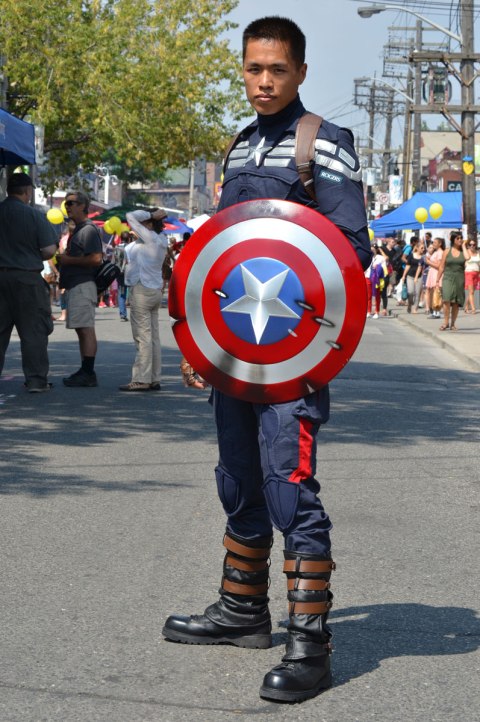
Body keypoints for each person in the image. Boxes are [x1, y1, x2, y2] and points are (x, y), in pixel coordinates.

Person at [162, 16, 371, 703]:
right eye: (253, 68)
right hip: (234, 357)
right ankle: (243, 609)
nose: (263, 80)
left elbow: (346, 256)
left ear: (300, 73)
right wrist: (200, 345)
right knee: (237, 477)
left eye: (277, 69)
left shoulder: (324, 144)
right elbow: (220, 259)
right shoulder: (240, 148)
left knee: (289, 485)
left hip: (293, 358)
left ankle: (311, 643)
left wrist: (313, 348)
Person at [0, 172, 58, 392]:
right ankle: (35, 381)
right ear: (27, 191)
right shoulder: (33, 215)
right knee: (33, 331)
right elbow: (49, 250)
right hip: (26, 278)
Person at [119, 208, 169, 391]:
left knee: (143, 337)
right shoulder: (160, 240)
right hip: (154, 289)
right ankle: (154, 377)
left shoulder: (149, 238)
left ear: (148, 225)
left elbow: (130, 216)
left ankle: (142, 378)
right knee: (153, 337)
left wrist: (149, 215)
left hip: (142, 289)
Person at [58, 191, 103, 386]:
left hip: (83, 285)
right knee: (81, 329)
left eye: (71, 203)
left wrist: (68, 260)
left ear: (83, 206)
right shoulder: (78, 230)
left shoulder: (88, 230)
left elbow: (96, 259)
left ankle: (88, 372)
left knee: (86, 329)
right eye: (66, 203)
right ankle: (85, 369)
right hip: (76, 285)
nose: (67, 206)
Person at [436, 231, 471, 331]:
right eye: (458, 238)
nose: (460, 240)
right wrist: (437, 280)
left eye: (461, 238)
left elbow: (468, 258)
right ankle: (445, 322)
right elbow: (442, 266)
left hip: (459, 278)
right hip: (448, 277)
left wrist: (464, 246)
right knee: (446, 299)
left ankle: (453, 324)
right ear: (453, 240)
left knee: (456, 302)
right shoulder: (447, 251)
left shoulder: (463, 251)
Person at [401, 237, 425, 313]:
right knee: (410, 292)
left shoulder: (423, 257)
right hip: (410, 276)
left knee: (417, 293)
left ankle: (415, 308)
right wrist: (404, 276)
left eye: (423, 248)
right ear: (417, 248)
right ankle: (409, 304)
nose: (423, 249)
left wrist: (416, 277)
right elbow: (408, 266)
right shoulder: (411, 255)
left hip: (419, 277)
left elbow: (420, 268)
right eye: (421, 248)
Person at [425, 237, 445, 319]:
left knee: (437, 293)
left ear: (440, 243)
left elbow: (439, 266)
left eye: (435, 242)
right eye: (433, 242)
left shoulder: (440, 252)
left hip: (436, 273)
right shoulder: (436, 252)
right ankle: (435, 311)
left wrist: (429, 262)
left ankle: (437, 312)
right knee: (434, 293)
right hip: (433, 273)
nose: (433, 244)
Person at [464, 239, 480, 314]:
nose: (472, 246)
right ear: (468, 245)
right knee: (471, 292)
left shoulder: (477, 253)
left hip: (476, 273)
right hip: (469, 272)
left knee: (472, 292)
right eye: (470, 244)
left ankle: (466, 306)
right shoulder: (466, 252)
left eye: (474, 244)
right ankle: (473, 308)